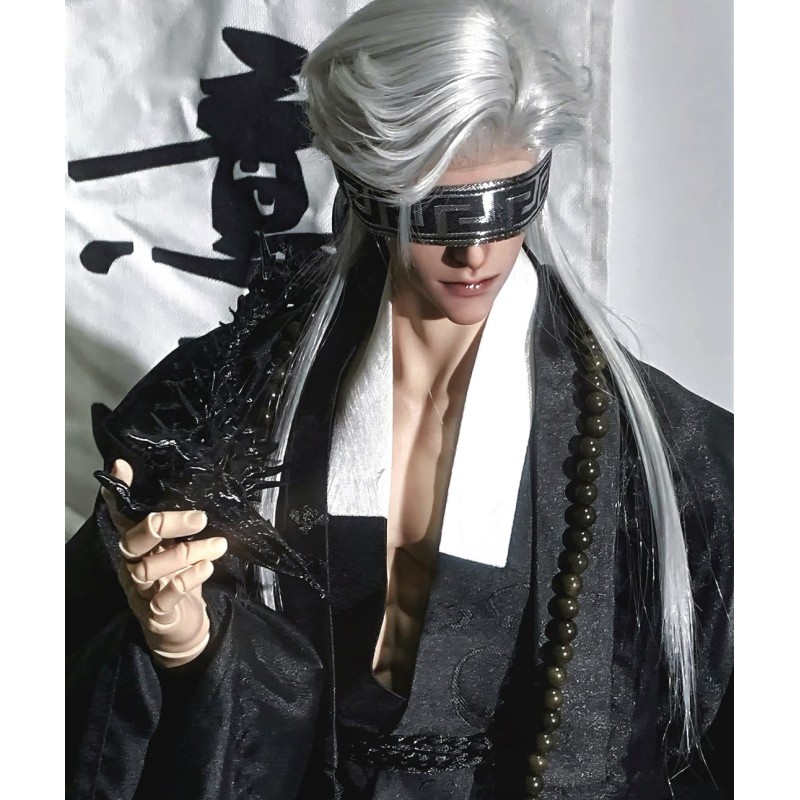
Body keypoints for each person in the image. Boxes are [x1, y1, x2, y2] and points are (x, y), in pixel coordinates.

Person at [65, 0, 733, 798]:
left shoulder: (671, 458)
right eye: (442, 215)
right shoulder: (221, 402)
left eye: (506, 205)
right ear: (367, 190)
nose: (474, 253)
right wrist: (185, 646)